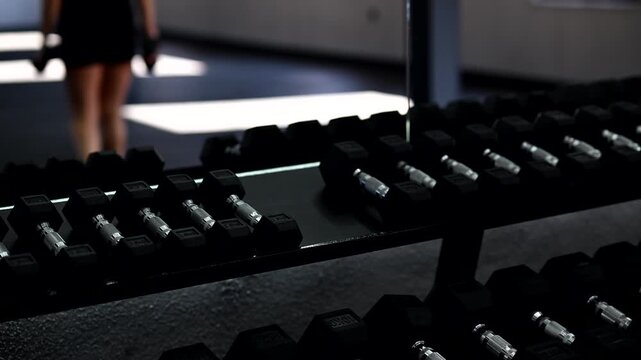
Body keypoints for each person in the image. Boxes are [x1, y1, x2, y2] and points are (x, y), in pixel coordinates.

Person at [36, 0, 159, 160]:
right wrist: (150, 34)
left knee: (85, 114)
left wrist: (45, 39)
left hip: (80, 27)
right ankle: (116, 174)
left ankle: (93, 176)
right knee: (113, 111)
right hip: (119, 25)